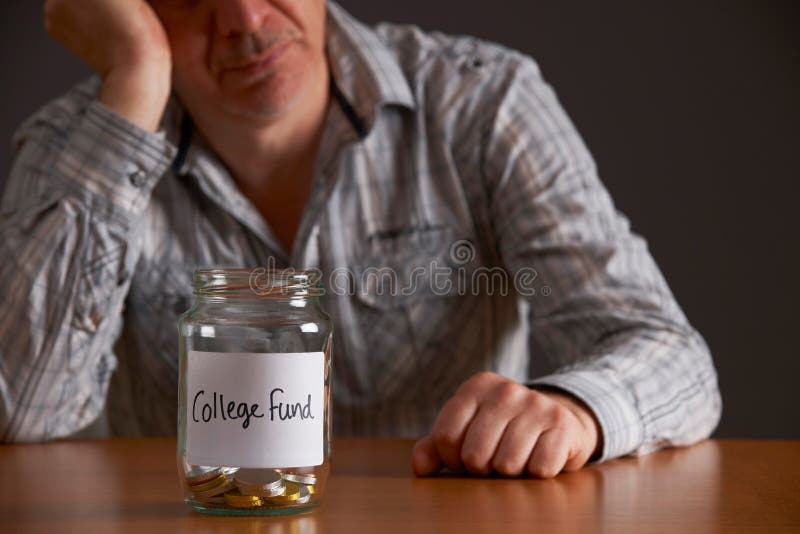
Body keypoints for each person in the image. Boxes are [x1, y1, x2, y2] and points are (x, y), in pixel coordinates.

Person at [0, 0, 721, 479]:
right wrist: (135, 77)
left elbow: (672, 356)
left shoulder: (482, 101)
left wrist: (576, 409)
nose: (246, 19)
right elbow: (23, 415)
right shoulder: (80, 150)